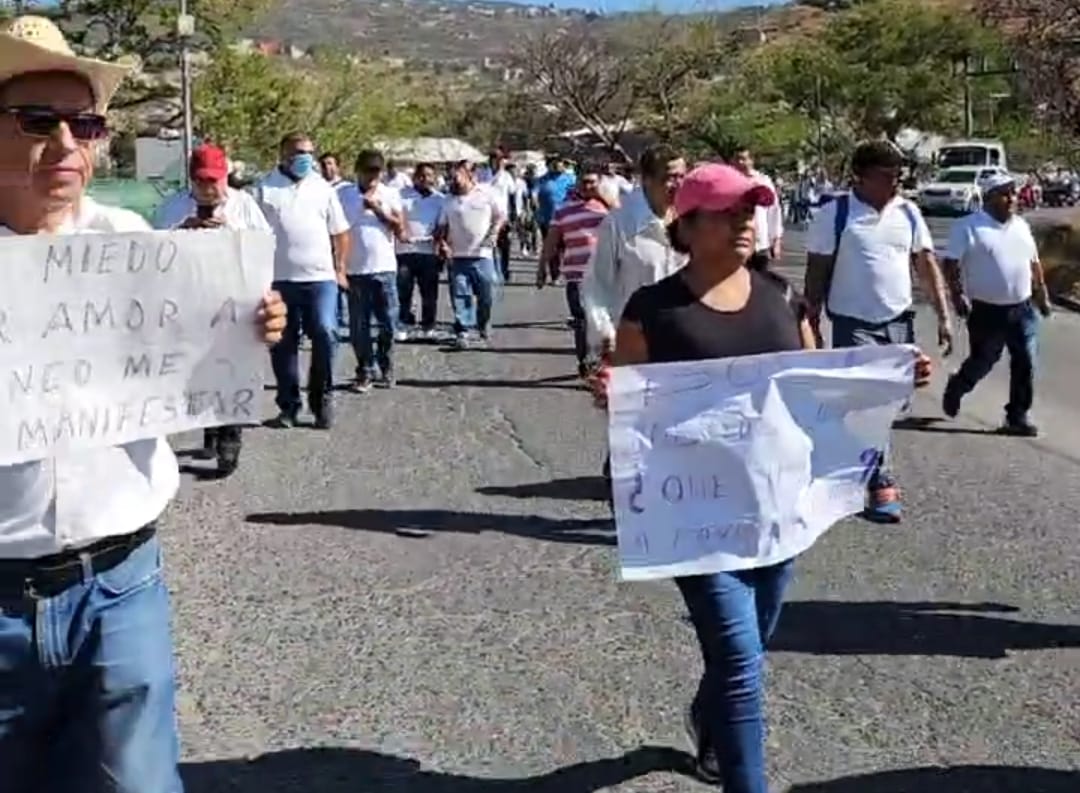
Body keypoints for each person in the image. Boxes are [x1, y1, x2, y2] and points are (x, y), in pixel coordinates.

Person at [0, 15, 285, 792]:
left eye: (85, 124)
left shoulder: (135, 244)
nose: (67, 144)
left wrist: (254, 325)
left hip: (119, 585)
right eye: (37, 121)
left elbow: (202, 353)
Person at [609, 163, 932, 793]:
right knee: (739, 660)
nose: (743, 224)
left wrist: (892, 377)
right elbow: (629, 396)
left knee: (749, 650)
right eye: (727, 213)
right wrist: (609, 392)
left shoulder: (783, 299)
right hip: (697, 521)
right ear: (689, 223)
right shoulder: (652, 309)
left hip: (779, 511)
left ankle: (710, 717)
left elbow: (823, 390)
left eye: (749, 212)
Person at [803, 139, 953, 523]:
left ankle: (851, 460)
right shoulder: (835, 214)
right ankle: (880, 481)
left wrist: (943, 314)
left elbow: (926, 265)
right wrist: (810, 317)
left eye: (900, 174)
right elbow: (817, 269)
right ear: (862, 176)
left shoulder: (909, 213)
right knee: (870, 401)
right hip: (853, 323)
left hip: (899, 321)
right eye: (888, 175)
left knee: (894, 403)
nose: (897, 182)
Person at [153, 142, 274, 476]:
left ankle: (230, 439)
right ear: (191, 180)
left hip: (235, 300)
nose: (208, 189)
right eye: (201, 182)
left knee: (232, 369)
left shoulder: (245, 205)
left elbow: (264, 248)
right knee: (201, 372)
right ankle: (210, 428)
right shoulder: (173, 207)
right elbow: (151, 252)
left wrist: (229, 233)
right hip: (191, 303)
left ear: (226, 177)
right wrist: (182, 231)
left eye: (214, 181)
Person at [941, 172, 1052, 436]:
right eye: (1005, 193)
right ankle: (958, 386)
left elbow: (1033, 263)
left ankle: (1017, 416)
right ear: (989, 198)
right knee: (984, 359)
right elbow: (951, 264)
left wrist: (1041, 294)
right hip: (986, 310)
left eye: (1013, 192)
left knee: (1025, 360)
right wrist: (957, 296)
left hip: (1021, 308)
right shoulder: (968, 226)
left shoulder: (1021, 226)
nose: (1012, 198)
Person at [255, 131, 351, 429]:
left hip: (320, 279)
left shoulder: (323, 188)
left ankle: (322, 399)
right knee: (283, 344)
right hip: (280, 281)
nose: (305, 158)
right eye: (299, 152)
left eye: (309, 152)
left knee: (325, 331)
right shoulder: (263, 189)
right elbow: (252, 235)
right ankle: (289, 406)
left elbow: (341, 233)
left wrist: (340, 268)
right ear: (283, 154)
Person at [583, 144, 688, 358]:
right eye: (669, 177)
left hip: (684, 340)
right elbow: (597, 285)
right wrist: (605, 334)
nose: (678, 185)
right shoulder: (619, 222)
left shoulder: (691, 220)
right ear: (646, 179)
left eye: (682, 177)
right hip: (635, 344)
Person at [342, 149, 406, 392]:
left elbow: (401, 230)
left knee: (389, 323)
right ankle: (365, 370)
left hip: (384, 268)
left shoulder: (389, 194)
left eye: (376, 172)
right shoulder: (342, 195)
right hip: (355, 270)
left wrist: (379, 210)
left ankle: (386, 365)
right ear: (357, 170)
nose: (371, 177)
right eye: (367, 171)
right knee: (359, 326)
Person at [537, 165, 610, 377]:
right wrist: (542, 267)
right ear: (576, 182)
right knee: (582, 321)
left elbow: (626, 224)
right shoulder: (563, 210)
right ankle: (587, 361)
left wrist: (606, 200)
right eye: (583, 182)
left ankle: (603, 360)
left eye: (592, 182)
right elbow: (552, 241)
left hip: (607, 275)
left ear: (599, 183)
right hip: (576, 275)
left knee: (606, 321)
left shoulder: (608, 208)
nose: (587, 187)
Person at [435, 160, 505, 350]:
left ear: (469, 176)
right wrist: (442, 244)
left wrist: (494, 233)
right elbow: (441, 226)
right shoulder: (448, 199)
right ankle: (463, 330)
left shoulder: (486, 193)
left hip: (483, 254)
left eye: (456, 177)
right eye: (450, 178)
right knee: (460, 294)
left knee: (486, 294)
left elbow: (500, 216)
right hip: (457, 256)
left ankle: (483, 323)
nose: (453, 182)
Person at [397, 162, 446, 340]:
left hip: (428, 251)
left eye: (429, 175)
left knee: (429, 292)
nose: (425, 179)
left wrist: (439, 239)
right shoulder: (402, 196)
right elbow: (397, 218)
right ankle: (403, 324)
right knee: (404, 290)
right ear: (415, 177)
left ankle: (428, 326)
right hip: (405, 250)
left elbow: (442, 224)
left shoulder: (440, 199)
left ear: (434, 178)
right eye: (422, 175)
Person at [728, 145, 783, 271]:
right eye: (737, 159)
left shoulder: (763, 181)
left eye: (744, 158)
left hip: (760, 243)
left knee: (761, 283)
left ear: (751, 161)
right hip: (736, 243)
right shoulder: (729, 183)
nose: (741, 162)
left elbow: (774, 212)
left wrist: (776, 240)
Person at [320, 151, 355, 338]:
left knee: (343, 277)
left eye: (330, 164)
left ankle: (343, 320)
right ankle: (332, 319)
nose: (327, 168)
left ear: (338, 166)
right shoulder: (315, 187)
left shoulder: (348, 189)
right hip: (323, 240)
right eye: (324, 164)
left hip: (342, 237)